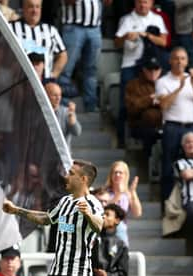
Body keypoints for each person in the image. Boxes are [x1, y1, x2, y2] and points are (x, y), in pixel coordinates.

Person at [115, 0, 168, 147]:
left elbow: (164, 42)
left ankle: (148, 136)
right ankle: (122, 139)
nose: (143, 5)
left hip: (152, 66)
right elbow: (116, 43)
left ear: (151, 3)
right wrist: (126, 36)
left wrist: (147, 35)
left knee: (156, 101)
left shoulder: (157, 19)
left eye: (146, 2)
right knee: (125, 104)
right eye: (140, 2)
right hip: (131, 64)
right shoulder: (127, 19)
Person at [156, 47, 193, 201]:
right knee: (169, 164)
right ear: (170, 61)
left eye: (183, 58)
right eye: (176, 58)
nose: (179, 62)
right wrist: (180, 87)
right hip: (172, 126)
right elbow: (163, 105)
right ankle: (167, 202)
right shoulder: (163, 81)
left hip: (192, 126)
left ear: (187, 61)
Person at [58, 0, 110, 112]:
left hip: (95, 28)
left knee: (91, 70)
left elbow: (107, 3)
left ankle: (90, 105)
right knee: (65, 69)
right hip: (74, 27)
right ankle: (62, 105)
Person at [10, 0, 67, 80]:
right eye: (31, 7)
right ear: (23, 8)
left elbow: (63, 55)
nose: (34, 11)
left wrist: (53, 75)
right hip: (16, 79)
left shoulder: (51, 30)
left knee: (55, 91)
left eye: (37, 7)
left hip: (44, 81)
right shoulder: (11, 28)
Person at [125, 55, 163, 173]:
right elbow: (131, 108)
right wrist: (150, 100)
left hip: (165, 123)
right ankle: (148, 169)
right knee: (149, 133)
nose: (153, 72)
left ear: (160, 70)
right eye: (149, 69)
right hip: (141, 125)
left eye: (156, 69)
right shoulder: (133, 85)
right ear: (144, 70)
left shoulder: (166, 82)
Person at [90, 203, 129, 276]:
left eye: (107, 214)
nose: (103, 217)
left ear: (117, 220)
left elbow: (122, 273)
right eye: (102, 214)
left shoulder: (121, 245)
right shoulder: (90, 237)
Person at [173, 132, 193, 255]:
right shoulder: (179, 163)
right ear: (183, 146)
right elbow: (186, 174)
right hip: (192, 200)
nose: (191, 144)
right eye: (188, 142)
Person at [104, 160, 142, 246]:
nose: (117, 175)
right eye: (115, 172)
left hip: (121, 231)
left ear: (125, 175)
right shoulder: (105, 191)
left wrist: (133, 192)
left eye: (120, 173)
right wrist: (118, 194)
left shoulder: (127, 194)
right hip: (106, 229)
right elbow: (104, 209)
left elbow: (137, 213)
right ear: (111, 175)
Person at [45, 82, 82, 149]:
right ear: (46, 96)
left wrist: (72, 121)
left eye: (60, 95)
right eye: (55, 95)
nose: (58, 98)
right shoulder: (39, 112)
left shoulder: (66, 112)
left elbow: (77, 132)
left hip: (62, 155)